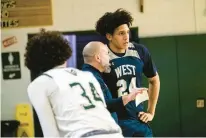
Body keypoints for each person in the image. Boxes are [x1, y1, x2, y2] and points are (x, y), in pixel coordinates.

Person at [24, 29, 124, 137]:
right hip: (115, 132)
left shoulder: (39, 84)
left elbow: (50, 131)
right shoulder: (88, 76)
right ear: (65, 55)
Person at [95, 8, 160, 137]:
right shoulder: (101, 57)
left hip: (138, 120)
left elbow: (154, 80)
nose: (126, 37)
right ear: (109, 36)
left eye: (127, 32)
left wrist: (151, 112)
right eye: (121, 33)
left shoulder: (139, 51)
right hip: (114, 122)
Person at [82, 41, 147, 123]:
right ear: (98, 58)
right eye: (106, 53)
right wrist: (129, 97)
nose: (109, 57)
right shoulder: (90, 77)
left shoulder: (91, 75)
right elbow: (103, 105)